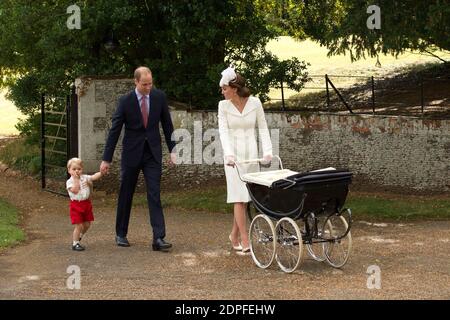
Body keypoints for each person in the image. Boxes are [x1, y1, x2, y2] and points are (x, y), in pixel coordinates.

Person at [100, 66, 177, 251]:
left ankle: (158, 238)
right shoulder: (125, 101)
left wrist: (173, 149)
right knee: (126, 193)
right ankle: (121, 234)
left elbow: (167, 124)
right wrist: (106, 159)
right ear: (136, 82)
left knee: (154, 194)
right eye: (144, 84)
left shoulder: (159, 97)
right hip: (131, 154)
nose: (148, 87)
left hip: (152, 153)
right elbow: (115, 130)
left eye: (150, 83)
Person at [217, 66, 273, 255]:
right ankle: (245, 239)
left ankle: (234, 235)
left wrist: (268, 152)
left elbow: (263, 128)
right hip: (233, 157)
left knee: (246, 196)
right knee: (238, 198)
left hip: (252, 155)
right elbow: (223, 132)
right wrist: (228, 154)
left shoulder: (255, 103)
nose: (222, 92)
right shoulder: (222, 106)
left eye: (224, 88)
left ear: (234, 88)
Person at [66, 157, 103, 251]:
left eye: (79, 169)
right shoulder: (69, 182)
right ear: (69, 170)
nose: (77, 171)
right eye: (74, 169)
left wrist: (101, 172)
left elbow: (94, 177)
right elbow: (75, 190)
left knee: (87, 224)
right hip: (76, 205)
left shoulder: (85, 177)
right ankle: (75, 243)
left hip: (86, 203)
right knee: (79, 225)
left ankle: (79, 237)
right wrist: (76, 179)